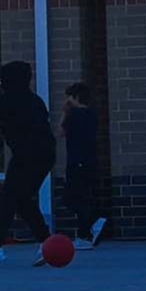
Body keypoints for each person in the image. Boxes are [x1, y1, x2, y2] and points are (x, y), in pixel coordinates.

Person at [0, 60, 58, 262]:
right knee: (22, 198)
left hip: (26, 155)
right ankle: (46, 242)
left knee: (9, 198)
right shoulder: (35, 100)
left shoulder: (8, 101)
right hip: (45, 154)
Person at [55, 78, 107, 244]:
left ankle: (91, 224)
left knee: (70, 198)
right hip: (89, 161)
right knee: (82, 198)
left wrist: (64, 112)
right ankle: (84, 234)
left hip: (76, 162)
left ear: (75, 97)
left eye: (69, 97)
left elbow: (60, 132)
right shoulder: (91, 114)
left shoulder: (74, 115)